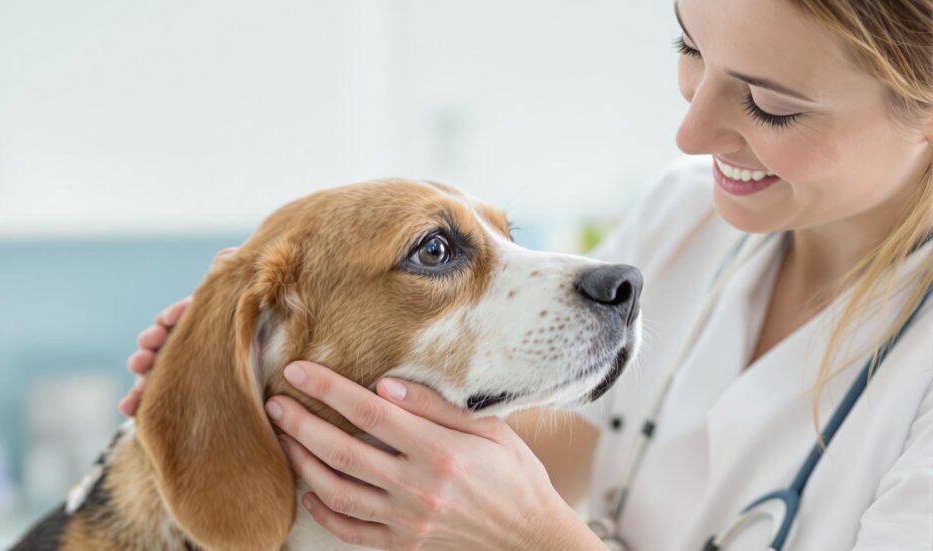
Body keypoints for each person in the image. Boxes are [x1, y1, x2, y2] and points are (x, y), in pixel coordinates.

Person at [119, 0, 933, 548]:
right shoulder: (686, 219)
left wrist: (537, 537)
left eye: (769, 102)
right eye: (690, 47)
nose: (689, 130)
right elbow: (549, 442)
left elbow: (527, 506)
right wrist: (249, 384)